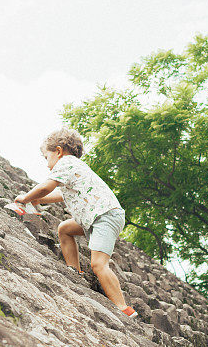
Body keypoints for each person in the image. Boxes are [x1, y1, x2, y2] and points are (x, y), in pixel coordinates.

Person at [14, 128, 137, 318]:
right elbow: (58, 194)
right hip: (96, 217)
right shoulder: (75, 169)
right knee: (65, 229)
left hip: (104, 216)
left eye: (46, 158)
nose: (47, 165)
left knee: (98, 264)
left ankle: (123, 308)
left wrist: (25, 198)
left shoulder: (65, 164)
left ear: (58, 151)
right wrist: (38, 200)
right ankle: (74, 271)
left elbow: (46, 187)